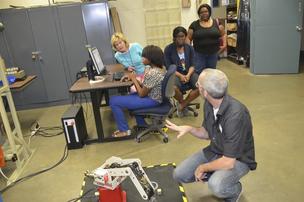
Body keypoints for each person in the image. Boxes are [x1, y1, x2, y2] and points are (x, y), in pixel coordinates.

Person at [166, 68, 257, 202]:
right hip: (217, 150)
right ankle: (216, 171)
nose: (197, 87)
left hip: (238, 159)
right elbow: (206, 133)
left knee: (217, 185)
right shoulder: (210, 104)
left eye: (198, 85)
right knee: (179, 174)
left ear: (204, 92)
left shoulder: (236, 115)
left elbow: (228, 162)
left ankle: (234, 190)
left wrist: (203, 167)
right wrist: (189, 128)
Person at [109, 45, 166, 137]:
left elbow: (142, 94)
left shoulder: (153, 73)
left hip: (152, 100)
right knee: (127, 97)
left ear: (150, 59)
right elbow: (148, 86)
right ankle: (142, 124)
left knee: (114, 101)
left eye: (143, 57)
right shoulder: (160, 69)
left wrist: (134, 79)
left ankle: (124, 131)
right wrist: (137, 80)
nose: (141, 59)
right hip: (154, 96)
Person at [164, 26, 200, 116]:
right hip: (175, 74)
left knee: (201, 85)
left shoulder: (190, 48)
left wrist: (188, 75)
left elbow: (193, 65)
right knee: (173, 87)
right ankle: (182, 102)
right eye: (178, 36)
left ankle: (183, 104)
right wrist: (180, 76)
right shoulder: (168, 49)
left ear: (185, 36)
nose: (180, 38)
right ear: (174, 38)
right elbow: (168, 67)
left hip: (189, 73)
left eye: (182, 36)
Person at [187, 4, 227, 74]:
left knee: (211, 73)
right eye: (201, 12)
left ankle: (209, 85)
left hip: (213, 54)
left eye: (206, 11)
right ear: (199, 14)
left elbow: (223, 34)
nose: (204, 13)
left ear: (209, 12)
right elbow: (188, 38)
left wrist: (225, 44)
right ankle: (199, 85)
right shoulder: (194, 25)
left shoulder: (216, 23)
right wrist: (189, 50)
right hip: (199, 54)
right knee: (199, 73)